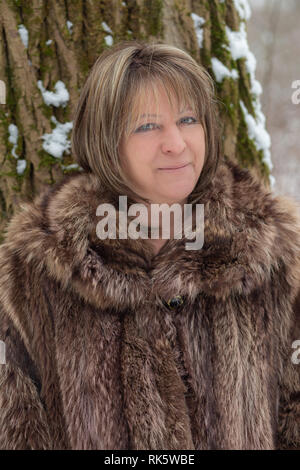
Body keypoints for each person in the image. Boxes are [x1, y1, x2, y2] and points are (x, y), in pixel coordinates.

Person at [0, 40, 299, 450]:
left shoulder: (273, 252)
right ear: (106, 142)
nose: (176, 143)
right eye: (146, 125)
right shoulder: (36, 267)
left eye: (188, 119)